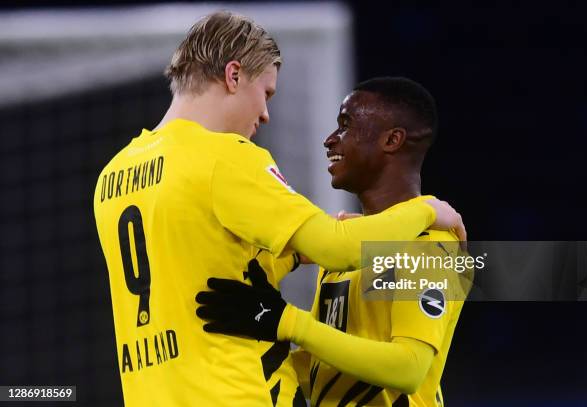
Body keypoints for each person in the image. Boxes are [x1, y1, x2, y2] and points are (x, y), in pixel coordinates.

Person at [93, 11, 465, 406]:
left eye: (345, 125)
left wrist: (287, 313)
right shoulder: (226, 159)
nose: (266, 114)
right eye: (266, 93)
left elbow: (408, 369)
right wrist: (427, 209)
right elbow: (336, 246)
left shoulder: (112, 176)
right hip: (236, 391)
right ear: (234, 76)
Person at [196, 77, 471, 406]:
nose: (330, 140)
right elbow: (323, 373)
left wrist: (289, 323)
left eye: (346, 124)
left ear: (392, 140)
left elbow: (408, 369)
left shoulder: (432, 245)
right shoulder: (345, 252)